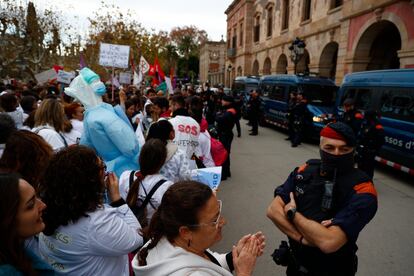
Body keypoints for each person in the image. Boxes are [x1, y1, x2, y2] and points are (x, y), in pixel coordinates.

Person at [267, 122, 378, 276]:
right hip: (295, 265)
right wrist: (301, 238)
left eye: (344, 149)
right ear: (320, 147)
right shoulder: (305, 170)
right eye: (330, 148)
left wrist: (293, 213)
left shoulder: (363, 189)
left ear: (353, 150)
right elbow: (273, 210)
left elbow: (329, 242)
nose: (337, 154)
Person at [38, 146, 143, 275]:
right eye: (102, 167)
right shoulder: (96, 222)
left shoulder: (47, 207)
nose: (106, 172)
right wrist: (117, 200)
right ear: (89, 180)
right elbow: (137, 237)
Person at [132, 181, 266, 275]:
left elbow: (205, 262)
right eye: (214, 220)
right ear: (185, 232)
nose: (223, 222)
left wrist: (234, 257)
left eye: (219, 213)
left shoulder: (170, 238)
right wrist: (244, 272)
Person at [0, 173, 54, 275]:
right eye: (30, 205)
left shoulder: (16, 251)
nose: (43, 205)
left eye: (37, 197)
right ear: (7, 220)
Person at [119, 139, 174, 227]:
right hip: (149, 234)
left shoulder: (125, 176)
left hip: (126, 228)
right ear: (163, 161)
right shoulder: (167, 186)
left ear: (140, 157)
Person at [169, 95, 200, 162]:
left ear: (176, 105)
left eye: (171, 106)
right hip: (189, 164)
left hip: (173, 164)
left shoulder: (170, 123)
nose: (170, 109)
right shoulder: (196, 123)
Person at [356, 110, 385, 179]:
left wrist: (373, 149)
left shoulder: (377, 126)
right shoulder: (366, 124)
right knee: (360, 166)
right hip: (363, 150)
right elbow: (362, 136)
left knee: (368, 168)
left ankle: (368, 182)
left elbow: (381, 140)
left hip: (370, 151)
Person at [215, 95, 237, 180]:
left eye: (223, 100)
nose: (222, 102)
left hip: (225, 134)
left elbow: (219, 119)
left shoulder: (230, 111)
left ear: (228, 102)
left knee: (223, 154)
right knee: (226, 154)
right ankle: (227, 172)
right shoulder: (228, 110)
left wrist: (218, 115)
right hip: (225, 134)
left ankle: (224, 174)